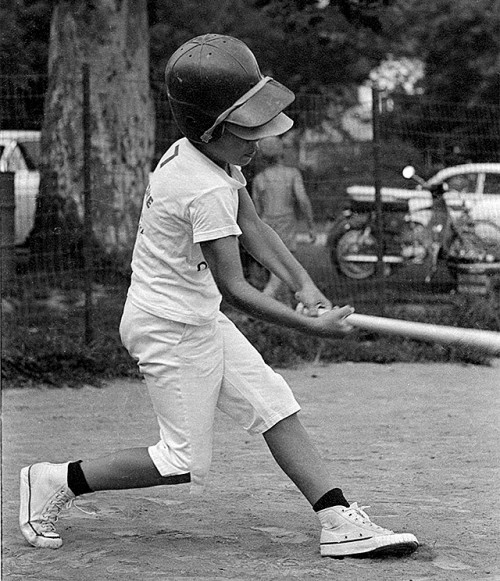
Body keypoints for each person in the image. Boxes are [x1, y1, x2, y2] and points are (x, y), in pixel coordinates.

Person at [19, 34, 419, 559]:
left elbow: (252, 224)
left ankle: (338, 519)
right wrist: (311, 327)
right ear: (210, 127)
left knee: (275, 405)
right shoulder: (201, 188)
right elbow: (238, 290)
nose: (260, 143)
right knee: (180, 462)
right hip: (170, 327)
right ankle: (53, 479)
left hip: (193, 317)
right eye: (248, 131)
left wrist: (304, 283)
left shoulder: (209, 160)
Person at [252, 136, 315, 298]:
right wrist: (311, 226)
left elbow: (256, 210)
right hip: (286, 224)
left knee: (277, 266)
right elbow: (302, 200)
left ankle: (285, 306)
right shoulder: (292, 174)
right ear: (281, 153)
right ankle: (263, 301)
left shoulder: (259, 179)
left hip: (266, 224)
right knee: (283, 267)